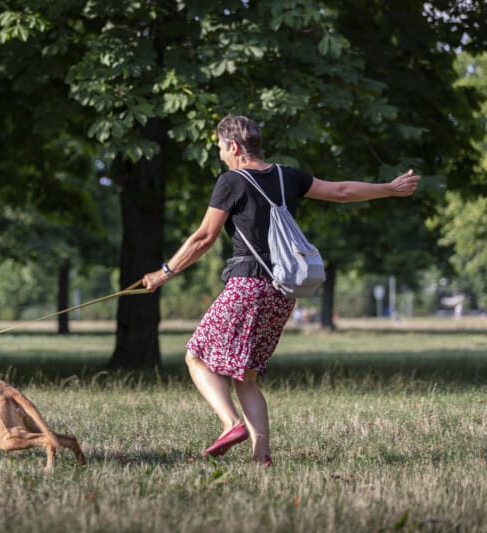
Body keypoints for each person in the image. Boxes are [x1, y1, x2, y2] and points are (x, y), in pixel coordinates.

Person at [142, 115, 420, 466]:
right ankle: (262, 457)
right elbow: (341, 192)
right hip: (282, 290)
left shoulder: (231, 181)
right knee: (246, 375)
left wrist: (164, 273)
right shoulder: (289, 176)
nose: (220, 155)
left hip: (247, 284)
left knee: (196, 355)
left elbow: (203, 238)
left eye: (219, 148)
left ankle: (230, 424)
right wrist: (389, 188)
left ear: (234, 147)